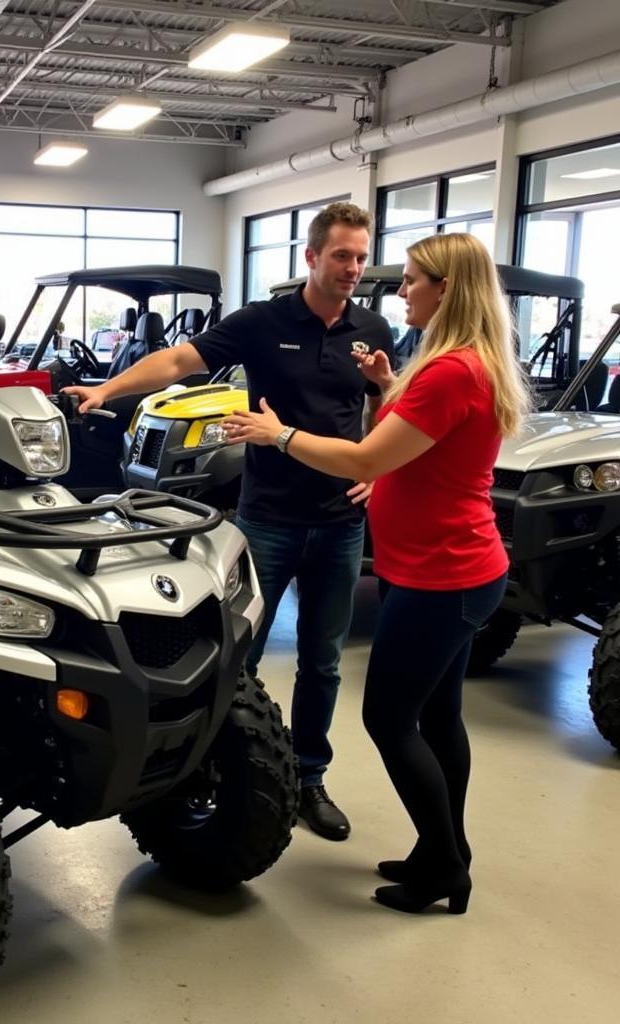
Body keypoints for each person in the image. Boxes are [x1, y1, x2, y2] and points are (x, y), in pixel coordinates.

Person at [64, 202, 395, 840]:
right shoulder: (264, 322)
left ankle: (308, 776)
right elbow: (177, 362)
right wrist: (108, 391)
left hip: (339, 523)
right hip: (268, 519)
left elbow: (388, 402)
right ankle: (220, 765)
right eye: (341, 256)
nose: (353, 268)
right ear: (312, 257)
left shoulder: (373, 329)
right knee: (234, 657)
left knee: (323, 661)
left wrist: (377, 468)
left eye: (360, 256)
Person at [221, 232, 530, 914]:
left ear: (446, 289)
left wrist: (279, 436)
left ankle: (445, 865)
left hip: (441, 576)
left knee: (390, 719)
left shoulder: (452, 371)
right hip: (456, 569)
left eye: (412, 279)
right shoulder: (456, 363)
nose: (397, 291)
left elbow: (365, 461)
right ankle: (445, 847)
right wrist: (389, 386)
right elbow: (422, 446)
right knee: (440, 716)